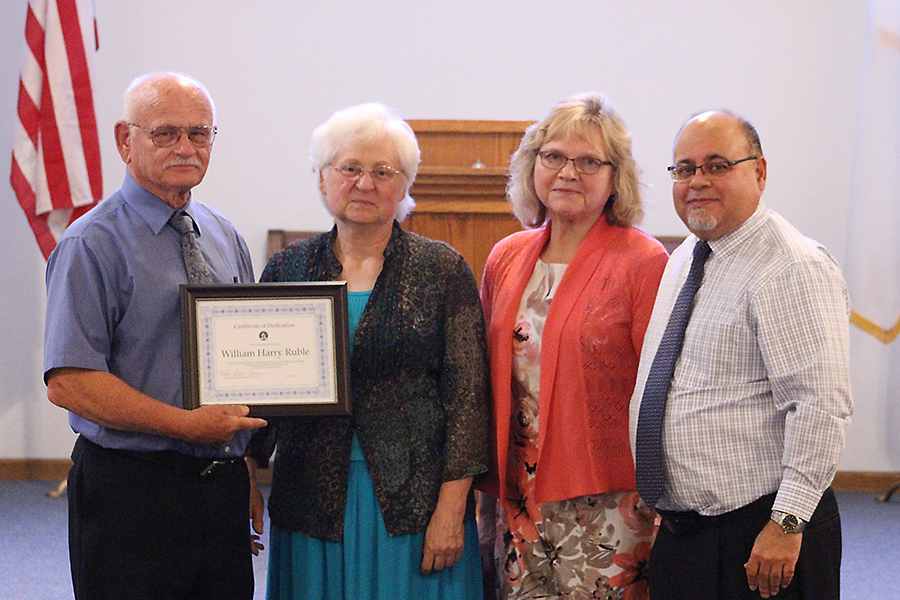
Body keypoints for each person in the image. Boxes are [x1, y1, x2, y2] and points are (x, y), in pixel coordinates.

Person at [245, 102, 491, 600]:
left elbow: (468, 400)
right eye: (350, 168)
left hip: (417, 508)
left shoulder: (442, 270)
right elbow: (257, 390)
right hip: (311, 500)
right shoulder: (286, 268)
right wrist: (246, 474)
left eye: (383, 171)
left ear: (404, 186)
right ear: (322, 179)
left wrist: (450, 511)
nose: (365, 183)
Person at [43, 72, 268, 600]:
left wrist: (247, 470)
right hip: (131, 490)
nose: (186, 148)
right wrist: (188, 426)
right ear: (126, 140)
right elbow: (70, 383)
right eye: (166, 133)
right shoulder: (90, 243)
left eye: (200, 133)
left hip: (222, 486)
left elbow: (245, 364)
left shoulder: (223, 234)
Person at [629, 110, 852, 600]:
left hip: (763, 536)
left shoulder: (792, 267)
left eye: (717, 165)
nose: (697, 181)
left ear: (759, 172)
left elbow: (820, 406)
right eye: (684, 169)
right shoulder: (689, 254)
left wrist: (787, 524)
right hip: (688, 536)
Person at [477, 92, 668, 599]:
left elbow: (660, 388)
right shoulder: (506, 256)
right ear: (533, 164)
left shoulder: (643, 262)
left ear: (615, 177)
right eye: (554, 156)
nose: (568, 172)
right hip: (518, 486)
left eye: (588, 161)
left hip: (606, 494)